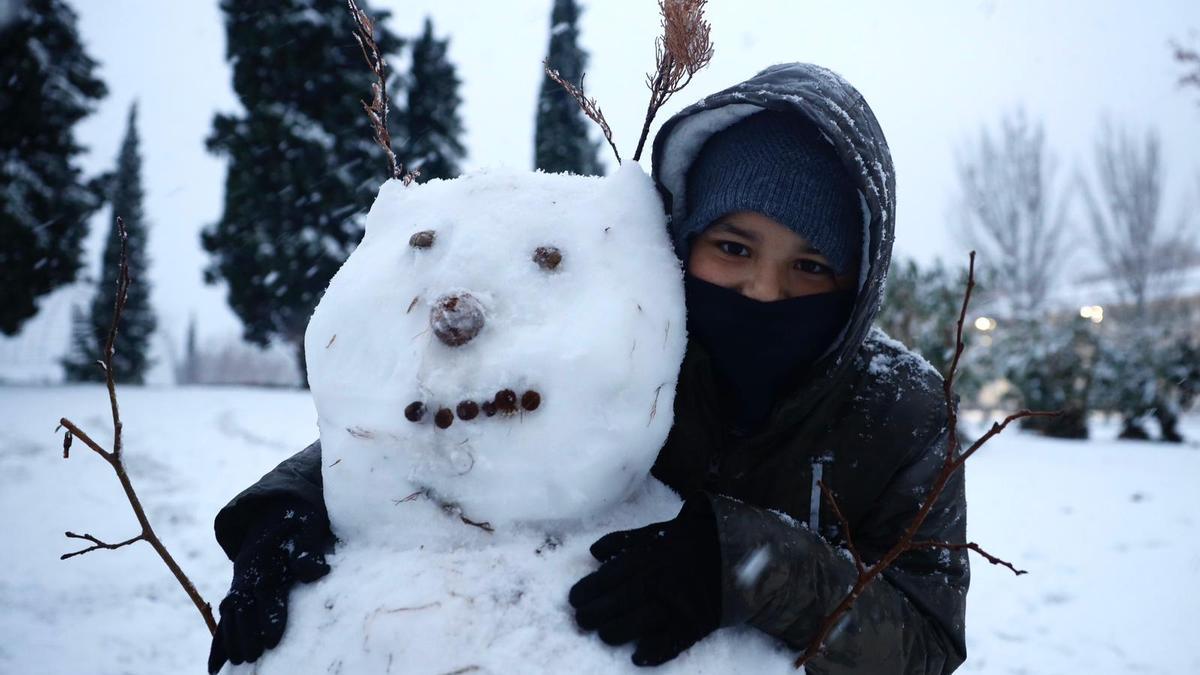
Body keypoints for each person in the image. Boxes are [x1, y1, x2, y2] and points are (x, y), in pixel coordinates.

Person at [207, 63, 969, 675]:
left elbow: (927, 643)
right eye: (733, 248)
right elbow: (447, 418)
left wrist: (750, 565)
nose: (764, 291)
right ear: (684, 237)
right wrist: (288, 506)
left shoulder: (901, 412)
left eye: (810, 265)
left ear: (859, 280)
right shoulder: (633, 339)